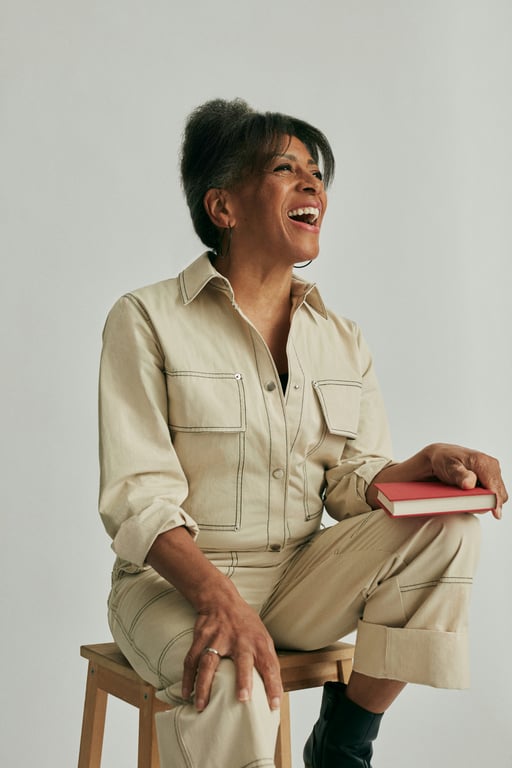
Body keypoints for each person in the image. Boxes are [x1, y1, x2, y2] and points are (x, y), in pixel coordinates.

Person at [98, 98, 507, 768]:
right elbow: (136, 498)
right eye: (286, 169)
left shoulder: (341, 338)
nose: (313, 184)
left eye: (316, 172)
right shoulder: (145, 319)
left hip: (296, 577)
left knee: (449, 524)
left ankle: (343, 743)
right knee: (232, 677)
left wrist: (418, 465)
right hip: (170, 587)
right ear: (223, 207)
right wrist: (219, 600)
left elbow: (348, 483)